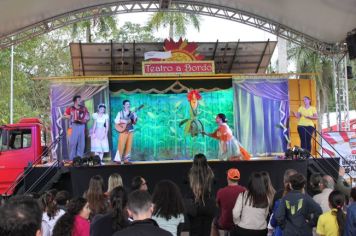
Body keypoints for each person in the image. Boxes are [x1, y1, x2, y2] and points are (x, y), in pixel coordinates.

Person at [185, 153, 217, 236]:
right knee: (206, 230)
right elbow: (215, 182)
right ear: (206, 162)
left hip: (194, 205)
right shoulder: (211, 174)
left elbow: (184, 181)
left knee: (194, 230)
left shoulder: (190, 175)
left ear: (194, 162)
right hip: (208, 205)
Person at [232, 172, 270, 236]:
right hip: (261, 231)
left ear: (250, 183)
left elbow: (235, 213)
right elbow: (265, 215)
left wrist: (237, 223)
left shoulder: (243, 195)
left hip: (243, 230)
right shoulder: (266, 197)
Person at [214, 168, 246, 233]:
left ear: (228, 178)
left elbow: (217, 206)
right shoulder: (244, 191)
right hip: (240, 223)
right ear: (238, 179)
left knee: (213, 223)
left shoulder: (221, 191)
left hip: (225, 223)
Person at [64, 95, 90, 160]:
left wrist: (86, 118)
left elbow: (88, 116)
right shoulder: (70, 108)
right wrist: (70, 116)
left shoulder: (84, 108)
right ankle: (72, 159)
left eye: (80, 100)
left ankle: (79, 159)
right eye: (78, 100)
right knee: (73, 143)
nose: (80, 101)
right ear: (75, 101)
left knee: (81, 143)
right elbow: (65, 116)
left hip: (82, 126)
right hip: (73, 126)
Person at [114, 100, 138, 164]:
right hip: (123, 130)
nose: (128, 105)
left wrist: (135, 116)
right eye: (127, 104)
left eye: (129, 104)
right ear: (124, 105)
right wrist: (123, 121)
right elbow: (116, 121)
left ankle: (126, 160)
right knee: (121, 144)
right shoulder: (120, 113)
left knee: (129, 145)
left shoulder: (131, 113)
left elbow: (134, 122)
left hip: (130, 130)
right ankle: (118, 159)